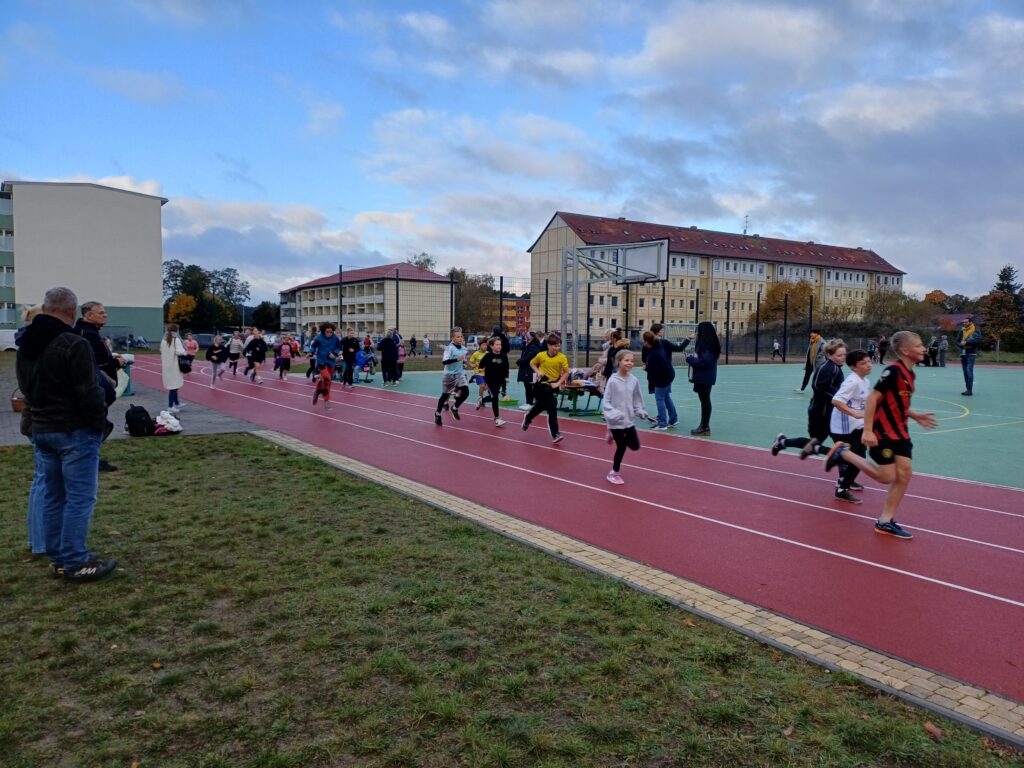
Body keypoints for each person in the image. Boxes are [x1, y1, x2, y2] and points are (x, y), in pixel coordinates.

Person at [16, 287, 116, 582]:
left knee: (53, 495)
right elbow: (89, 391)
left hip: (42, 428)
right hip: (74, 430)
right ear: (72, 312)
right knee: (80, 498)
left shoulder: (26, 343)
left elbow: (26, 388)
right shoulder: (74, 343)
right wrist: (98, 423)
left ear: (46, 308)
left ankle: (59, 557)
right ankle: (74, 560)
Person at [822, 331, 938, 539]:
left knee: (904, 475)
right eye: (919, 345)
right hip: (883, 432)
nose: (923, 348)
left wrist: (916, 415)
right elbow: (873, 399)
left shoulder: (910, 374)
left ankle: (885, 521)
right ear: (905, 350)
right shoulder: (892, 371)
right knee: (887, 477)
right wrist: (867, 430)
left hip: (901, 432)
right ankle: (843, 453)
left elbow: (897, 403)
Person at [771, 339, 848, 463]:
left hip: (828, 411)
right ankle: (843, 465)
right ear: (829, 355)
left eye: (844, 354)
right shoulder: (829, 368)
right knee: (831, 443)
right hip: (821, 412)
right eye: (839, 355)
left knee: (817, 442)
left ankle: (783, 442)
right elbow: (818, 386)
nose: (843, 357)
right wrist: (838, 397)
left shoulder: (836, 368)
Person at [73, 301, 124, 473]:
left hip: (97, 387)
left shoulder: (90, 332)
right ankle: (88, 460)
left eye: (105, 312)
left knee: (95, 423)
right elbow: (95, 362)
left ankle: (90, 458)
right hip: (93, 388)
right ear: (88, 315)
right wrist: (116, 363)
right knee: (92, 425)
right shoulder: (86, 334)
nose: (105, 315)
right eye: (101, 313)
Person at [602, 348, 654, 485]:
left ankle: (612, 434)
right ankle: (614, 473)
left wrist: (640, 410)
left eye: (632, 360)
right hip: (615, 422)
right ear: (618, 362)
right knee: (622, 447)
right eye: (626, 360)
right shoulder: (612, 381)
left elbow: (637, 398)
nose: (630, 363)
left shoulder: (634, 380)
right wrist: (614, 414)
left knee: (635, 446)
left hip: (629, 421)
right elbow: (606, 402)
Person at [828, 349, 873, 504]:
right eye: (863, 363)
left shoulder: (865, 381)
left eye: (869, 361)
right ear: (854, 367)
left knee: (859, 458)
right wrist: (854, 413)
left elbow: (863, 404)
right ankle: (842, 489)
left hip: (856, 426)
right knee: (858, 460)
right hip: (843, 428)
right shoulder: (852, 381)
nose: (868, 365)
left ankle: (844, 481)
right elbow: (836, 400)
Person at [523, 333, 570, 444]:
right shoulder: (541, 355)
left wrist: (558, 383)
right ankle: (555, 434)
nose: (557, 348)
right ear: (548, 345)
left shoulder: (562, 357)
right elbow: (532, 363)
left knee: (541, 406)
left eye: (559, 346)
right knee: (552, 408)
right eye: (555, 346)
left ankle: (528, 417)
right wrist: (538, 372)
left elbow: (566, 372)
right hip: (541, 385)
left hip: (553, 386)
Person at [685, 322, 721, 436]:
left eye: (698, 330)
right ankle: (704, 425)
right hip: (704, 376)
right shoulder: (708, 344)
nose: (697, 332)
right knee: (704, 400)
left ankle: (705, 426)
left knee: (705, 400)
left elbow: (704, 362)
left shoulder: (707, 345)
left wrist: (690, 359)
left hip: (704, 377)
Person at [434, 327, 471, 425]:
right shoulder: (449, 348)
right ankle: (437, 413)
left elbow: (463, 360)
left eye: (461, 336)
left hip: (460, 374)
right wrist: (457, 359)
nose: (460, 338)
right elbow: (444, 362)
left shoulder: (464, 349)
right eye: (458, 337)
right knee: (445, 395)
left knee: (466, 392)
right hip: (449, 375)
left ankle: (454, 408)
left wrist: (464, 364)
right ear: (453, 338)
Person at [642, 330, 677, 430]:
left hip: (662, 378)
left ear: (646, 342)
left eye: (644, 341)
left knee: (660, 399)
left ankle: (662, 424)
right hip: (669, 374)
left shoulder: (654, 354)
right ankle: (673, 419)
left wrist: (647, 368)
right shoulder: (658, 347)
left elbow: (656, 370)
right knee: (666, 397)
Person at [478, 336, 510, 427]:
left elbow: (506, 368)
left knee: (493, 397)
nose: (499, 346)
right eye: (497, 344)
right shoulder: (488, 356)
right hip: (490, 381)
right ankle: (497, 419)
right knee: (495, 398)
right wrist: (481, 371)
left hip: (500, 380)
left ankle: (482, 400)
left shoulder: (504, 356)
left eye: (500, 344)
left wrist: (506, 377)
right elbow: (481, 366)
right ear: (492, 346)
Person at [310, 322, 342, 410]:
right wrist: (311, 352)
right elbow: (313, 347)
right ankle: (326, 401)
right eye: (327, 332)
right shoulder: (319, 338)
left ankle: (317, 391)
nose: (329, 334)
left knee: (325, 380)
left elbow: (339, 347)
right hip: (321, 362)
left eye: (331, 332)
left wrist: (334, 353)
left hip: (331, 362)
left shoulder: (335, 338)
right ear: (323, 331)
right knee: (327, 379)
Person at [160, 323, 188, 412]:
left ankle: (176, 403)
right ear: (176, 330)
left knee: (173, 385)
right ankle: (170, 406)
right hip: (174, 366)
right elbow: (180, 351)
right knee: (174, 387)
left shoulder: (163, 340)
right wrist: (185, 352)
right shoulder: (176, 339)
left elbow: (161, 350)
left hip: (166, 365)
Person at [516, 331, 543, 412]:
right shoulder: (529, 346)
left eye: (526, 337)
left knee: (529, 387)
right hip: (527, 369)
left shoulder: (533, 347)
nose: (525, 338)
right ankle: (528, 402)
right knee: (527, 386)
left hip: (530, 370)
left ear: (530, 338)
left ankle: (530, 403)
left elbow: (528, 358)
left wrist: (519, 361)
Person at [957, 316, 981, 396]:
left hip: (971, 353)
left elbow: (978, 340)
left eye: (966, 322)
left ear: (970, 322)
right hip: (963, 353)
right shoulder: (962, 330)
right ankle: (967, 389)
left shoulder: (975, 330)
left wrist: (967, 343)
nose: (964, 323)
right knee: (965, 372)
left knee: (969, 370)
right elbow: (957, 340)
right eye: (963, 322)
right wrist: (961, 345)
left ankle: (970, 390)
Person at [469, 339, 489, 406]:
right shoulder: (476, 354)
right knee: (482, 386)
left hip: (486, 373)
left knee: (485, 388)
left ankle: (481, 400)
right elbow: (470, 362)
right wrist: (472, 365)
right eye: (483, 345)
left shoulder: (488, 353)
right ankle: (480, 400)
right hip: (478, 373)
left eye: (486, 345)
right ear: (480, 346)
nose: (485, 346)